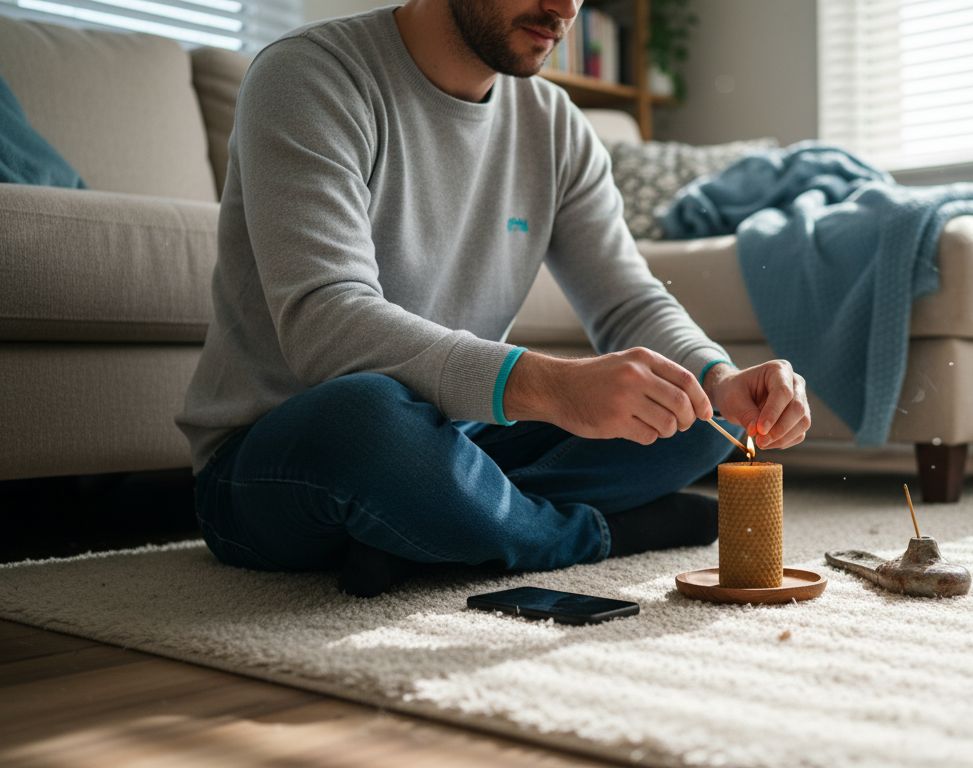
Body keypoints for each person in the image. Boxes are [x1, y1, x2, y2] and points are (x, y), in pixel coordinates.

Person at [176, 0, 811, 597]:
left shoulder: (556, 124)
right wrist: (557, 387)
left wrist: (721, 377)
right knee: (367, 415)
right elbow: (326, 321)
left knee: (702, 411)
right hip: (285, 450)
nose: (565, 7)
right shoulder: (311, 75)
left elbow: (628, 301)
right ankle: (586, 534)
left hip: (465, 434)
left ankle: (436, 529)